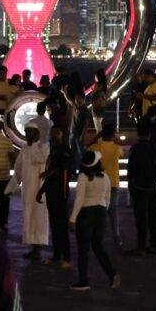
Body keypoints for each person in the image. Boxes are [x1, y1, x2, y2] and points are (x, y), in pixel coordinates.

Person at [70, 150, 120, 291]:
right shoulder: (105, 177)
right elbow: (108, 197)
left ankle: (83, 281)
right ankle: (112, 274)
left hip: (86, 213)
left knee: (83, 250)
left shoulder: (83, 177)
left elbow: (79, 199)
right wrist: (103, 211)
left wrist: (73, 218)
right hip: (101, 212)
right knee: (98, 246)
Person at [7, 126, 49, 260]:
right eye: (26, 133)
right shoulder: (24, 149)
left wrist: (33, 146)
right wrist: (11, 188)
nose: (27, 135)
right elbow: (18, 170)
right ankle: (33, 248)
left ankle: (38, 248)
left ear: (36, 133)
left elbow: (42, 159)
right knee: (29, 217)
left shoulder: (44, 146)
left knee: (39, 217)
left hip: (40, 190)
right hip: (28, 190)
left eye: (29, 132)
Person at [126, 120, 156, 256]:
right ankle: (154, 245)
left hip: (139, 187)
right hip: (153, 186)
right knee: (153, 216)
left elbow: (131, 169)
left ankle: (141, 246)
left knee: (141, 217)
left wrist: (131, 182)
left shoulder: (135, 149)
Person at [40, 126, 74, 268]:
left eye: (57, 132)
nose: (54, 135)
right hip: (52, 192)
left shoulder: (65, 150)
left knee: (62, 227)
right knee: (54, 226)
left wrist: (50, 172)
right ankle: (56, 256)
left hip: (61, 193)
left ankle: (66, 258)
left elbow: (65, 167)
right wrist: (41, 191)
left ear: (61, 134)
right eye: (52, 132)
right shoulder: (53, 149)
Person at [92, 122, 124, 247]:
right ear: (113, 134)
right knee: (113, 210)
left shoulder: (97, 147)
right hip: (114, 182)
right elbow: (122, 154)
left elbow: (86, 148)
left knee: (99, 208)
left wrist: (96, 137)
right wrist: (116, 140)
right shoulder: (117, 148)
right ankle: (116, 236)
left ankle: (97, 234)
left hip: (99, 181)